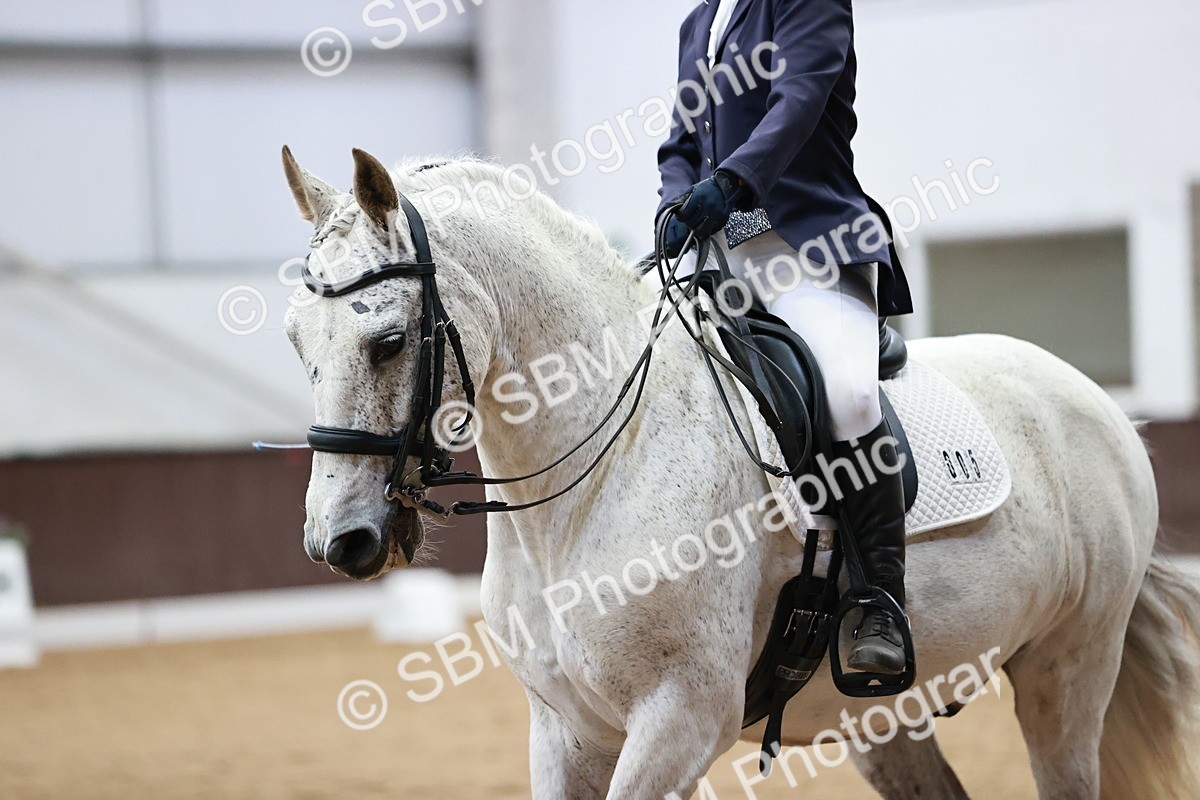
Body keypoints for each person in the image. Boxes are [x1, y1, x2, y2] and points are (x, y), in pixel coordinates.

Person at [656, 0, 913, 674]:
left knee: (851, 396)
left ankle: (881, 600)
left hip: (810, 245)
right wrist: (674, 203)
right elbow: (682, 141)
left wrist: (733, 182)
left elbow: (798, 100)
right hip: (721, 252)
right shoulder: (700, 21)